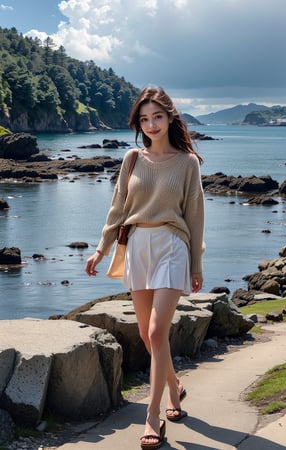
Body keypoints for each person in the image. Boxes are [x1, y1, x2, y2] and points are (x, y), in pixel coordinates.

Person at [85, 86, 205, 449]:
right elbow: (118, 207)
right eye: (144, 119)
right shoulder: (132, 159)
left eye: (157, 116)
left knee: (156, 333)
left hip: (172, 245)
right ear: (138, 123)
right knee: (145, 334)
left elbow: (195, 216)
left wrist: (196, 263)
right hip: (137, 245)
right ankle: (175, 386)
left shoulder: (188, 163)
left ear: (170, 118)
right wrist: (101, 249)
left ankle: (152, 418)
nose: (151, 124)